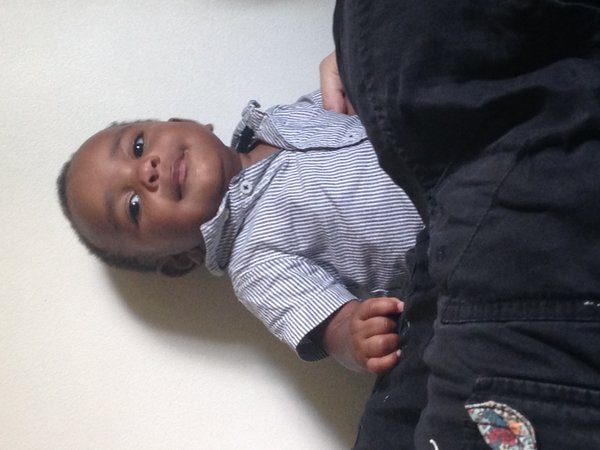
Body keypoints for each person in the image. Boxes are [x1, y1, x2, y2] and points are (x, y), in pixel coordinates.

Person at [322, 0, 600, 448]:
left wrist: (353, 53)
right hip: (450, 253)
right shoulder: (252, 252)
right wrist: (349, 331)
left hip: (474, 201)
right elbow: (321, 321)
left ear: (202, 124)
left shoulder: (283, 117)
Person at [57, 90, 423, 374]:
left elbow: (359, 91)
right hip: (443, 223)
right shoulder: (255, 264)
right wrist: (353, 335)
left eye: (138, 146)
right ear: (181, 259)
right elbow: (335, 324)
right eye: (134, 206)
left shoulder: (278, 118)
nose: (146, 170)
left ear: (188, 123)